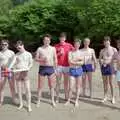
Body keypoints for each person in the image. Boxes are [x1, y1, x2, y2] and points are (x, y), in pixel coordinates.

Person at [9, 40, 33, 112]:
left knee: (27, 89)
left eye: (19, 47)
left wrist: (29, 67)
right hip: (18, 73)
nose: (18, 48)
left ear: (23, 45)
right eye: (17, 47)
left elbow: (31, 63)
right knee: (19, 90)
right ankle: (21, 104)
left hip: (25, 73)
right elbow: (12, 63)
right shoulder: (16, 55)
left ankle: (29, 105)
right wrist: (9, 68)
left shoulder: (28, 54)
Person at [35, 34, 57, 107]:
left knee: (51, 86)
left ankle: (53, 101)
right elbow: (36, 59)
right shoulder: (40, 49)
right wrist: (42, 59)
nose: (46, 41)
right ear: (43, 41)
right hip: (42, 68)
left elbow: (55, 59)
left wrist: (56, 69)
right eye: (45, 40)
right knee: (40, 86)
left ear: (50, 41)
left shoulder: (53, 48)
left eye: (48, 40)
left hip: (50, 68)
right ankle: (38, 101)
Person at [55, 32, 74, 103]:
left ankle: (66, 96)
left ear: (65, 38)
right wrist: (59, 53)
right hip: (59, 66)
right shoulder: (56, 46)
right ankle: (57, 97)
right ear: (59, 38)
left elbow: (75, 51)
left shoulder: (69, 45)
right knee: (58, 82)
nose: (62, 39)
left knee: (66, 83)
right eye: (61, 38)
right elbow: (53, 56)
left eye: (63, 38)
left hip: (67, 66)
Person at [65, 39, 84, 107]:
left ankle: (76, 100)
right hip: (72, 70)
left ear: (79, 45)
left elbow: (82, 62)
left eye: (78, 44)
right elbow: (70, 62)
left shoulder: (81, 52)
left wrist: (74, 61)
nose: (76, 45)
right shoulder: (70, 52)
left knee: (78, 87)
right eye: (75, 44)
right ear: (74, 44)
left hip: (79, 70)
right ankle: (69, 100)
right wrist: (78, 60)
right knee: (71, 87)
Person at [99, 36, 117, 104]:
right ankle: (105, 96)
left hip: (111, 67)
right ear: (103, 43)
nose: (106, 42)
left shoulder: (113, 49)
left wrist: (109, 62)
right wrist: (101, 64)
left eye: (107, 41)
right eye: (105, 41)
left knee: (111, 83)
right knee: (105, 83)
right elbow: (100, 59)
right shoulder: (102, 50)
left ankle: (113, 97)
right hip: (104, 68)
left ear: (109, 42)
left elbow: (116, 59)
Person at [0, 40, 16, 106]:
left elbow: (14, 61)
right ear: (1, 45)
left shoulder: (11, 52)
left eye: (5, 44)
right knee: (1, 87)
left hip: (10, 71)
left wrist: (10, 68)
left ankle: (14, 100)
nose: (4, 45)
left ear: (8, 45)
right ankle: (1, 101)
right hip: (2, 71)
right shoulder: (0, 53)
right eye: (3, 44)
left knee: (12, 86)